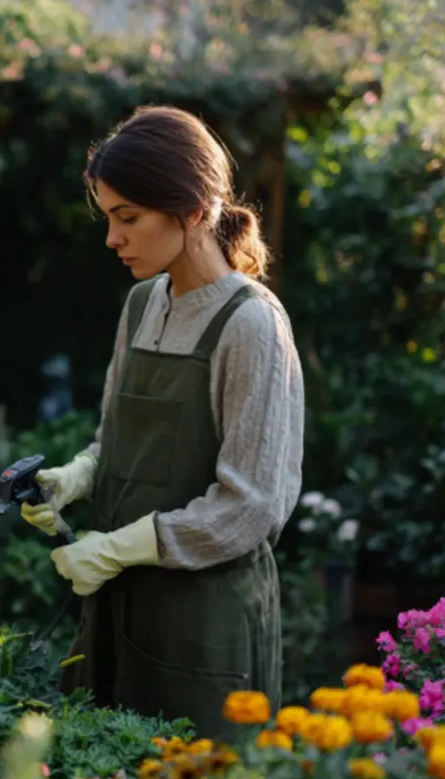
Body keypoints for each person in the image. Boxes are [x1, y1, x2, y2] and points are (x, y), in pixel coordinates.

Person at [21, 105, 304, 738]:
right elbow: (117, 440)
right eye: (109, 218)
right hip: (119, 608)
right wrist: (75, 478)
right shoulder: (142, 302)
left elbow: (252, 506)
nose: (112, 239)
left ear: (195, 211)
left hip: (205, 626)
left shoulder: (252, 325)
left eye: (128, 218)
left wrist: (117, 549)